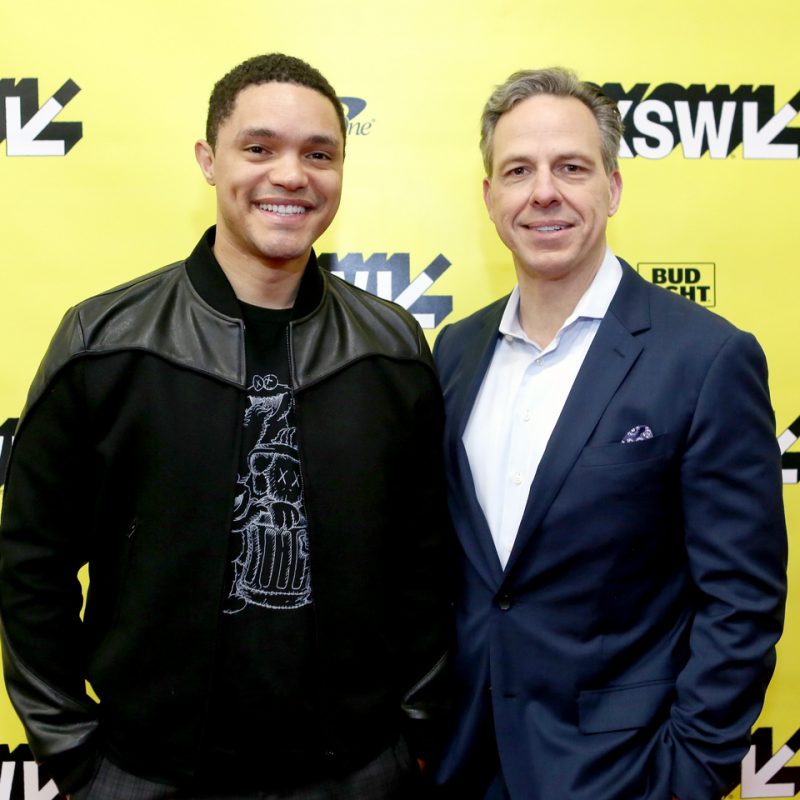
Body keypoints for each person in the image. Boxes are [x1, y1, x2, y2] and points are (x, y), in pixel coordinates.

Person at [0, 53, 452, 800]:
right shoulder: (106, 341)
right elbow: (30, 565)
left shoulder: (391, 348)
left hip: (360, 771)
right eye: (259, 147)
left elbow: (427, 565)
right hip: (144, 772)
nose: (290, 175)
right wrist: (74, 752)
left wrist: (418, 731)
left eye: (319, 154)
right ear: (210, 161)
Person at [431, 67, 787, 800]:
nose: (544, 193)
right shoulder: (453, 353)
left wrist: (686, 775)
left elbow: (742, 600)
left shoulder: (705, 357)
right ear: (490, 197)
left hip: (625, 774)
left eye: (571, 167)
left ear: (614, 187)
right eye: (518, 171)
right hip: (464, 763)